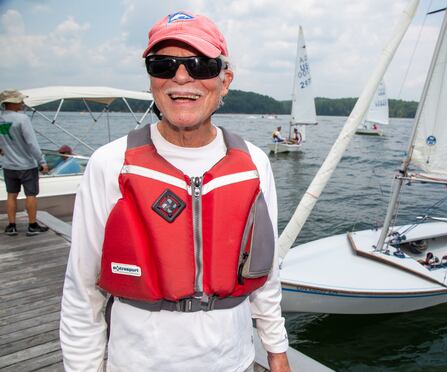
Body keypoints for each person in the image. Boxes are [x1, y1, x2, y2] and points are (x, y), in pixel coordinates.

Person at [59, 11, 290, 372]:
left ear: (225, 80)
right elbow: (82, 290)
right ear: (152, 79)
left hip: (234, 362)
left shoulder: (254, 163)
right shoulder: (109, 163)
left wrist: (276, 351)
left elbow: (266, 271)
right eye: (163, 64)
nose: (181, 77)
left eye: (200, 65)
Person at [0, 89, 49, 236]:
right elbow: (31, 143)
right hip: (26, 164)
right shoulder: (22, 119)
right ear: (13, 103)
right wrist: (42, 161)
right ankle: (32, 225)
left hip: (8, 165)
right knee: (31, 194)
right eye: (20, 101)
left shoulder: (1, 119)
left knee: (11, 194)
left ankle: (11, 225)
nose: (22, 103)